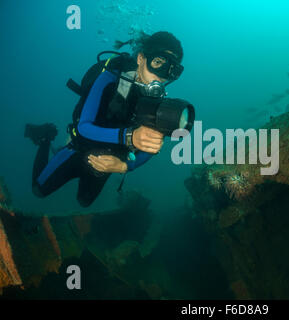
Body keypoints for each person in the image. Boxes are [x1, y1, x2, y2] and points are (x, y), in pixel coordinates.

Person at [25, 31, 184, 207]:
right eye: (158, 62)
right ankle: (45, 138)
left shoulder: (157, 102)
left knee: (84, 201)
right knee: (38, 191)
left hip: (108, 161)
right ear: (141, 58)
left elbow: (151, 147)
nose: (161, 76)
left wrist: (125, 166)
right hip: (79, 149)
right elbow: (84, 126)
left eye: (171, 70)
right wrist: (130, 136)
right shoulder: (109, 77)